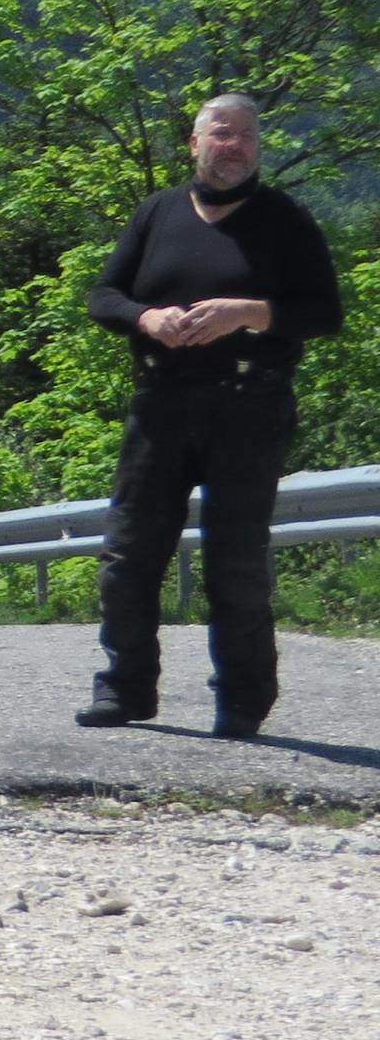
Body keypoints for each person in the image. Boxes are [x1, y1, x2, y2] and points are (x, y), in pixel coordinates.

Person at [75, 95, 343, 737]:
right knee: (128, 554)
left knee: (236, 559)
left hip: (250, 404)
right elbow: (103, 295)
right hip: (161, 403)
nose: (236, 145)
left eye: (247, 135)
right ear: (195, 143)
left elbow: (325, 313)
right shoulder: (158, 212)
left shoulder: (286, 219)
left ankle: (243, 702)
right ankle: (125, 688)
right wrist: (145, 317)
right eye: (223, 133)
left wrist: (249, 313)